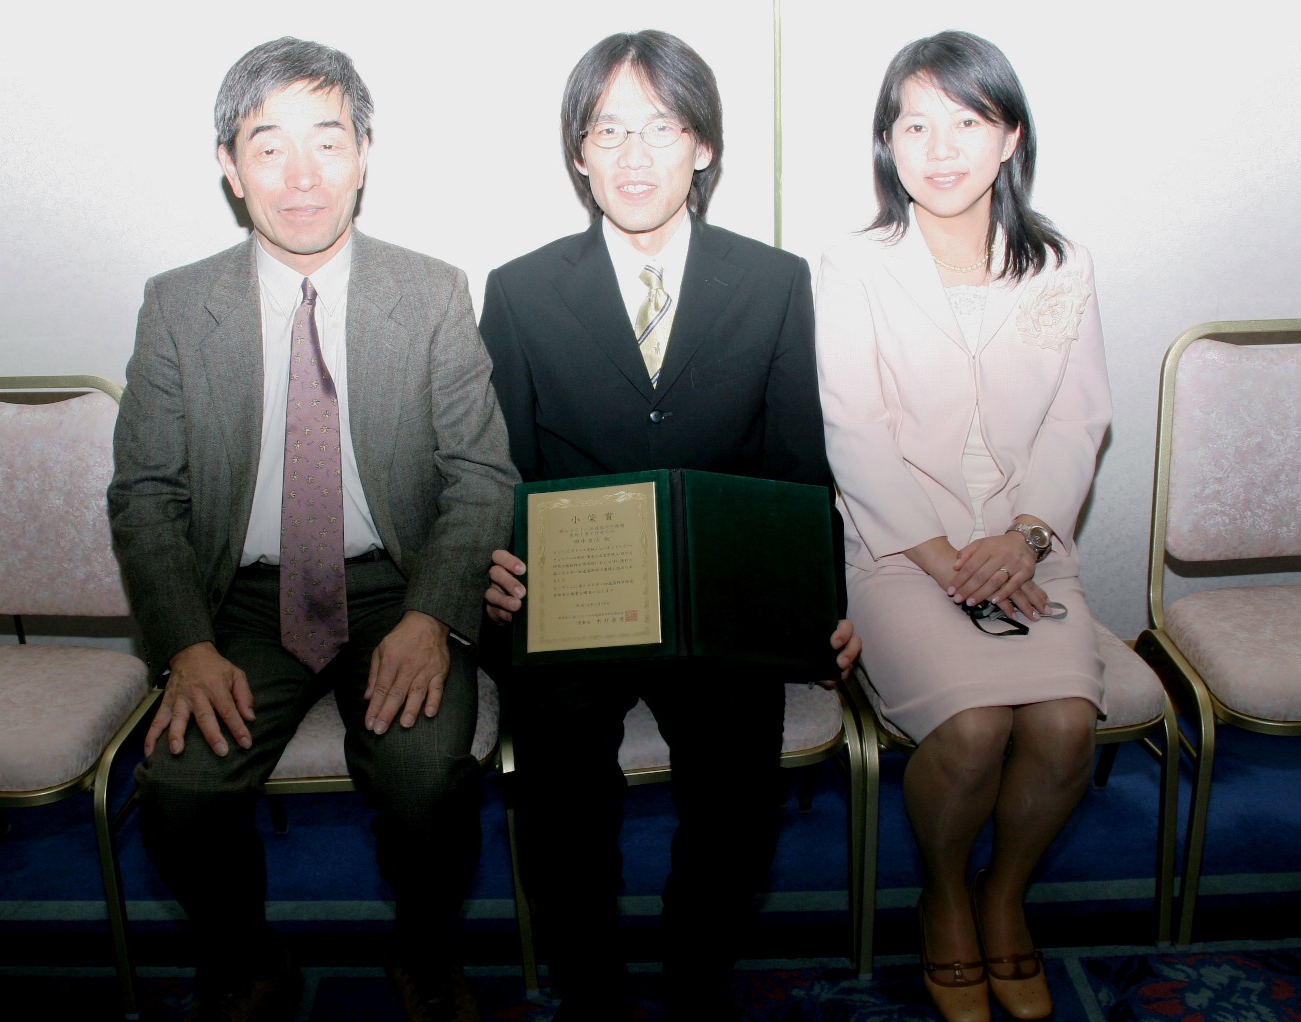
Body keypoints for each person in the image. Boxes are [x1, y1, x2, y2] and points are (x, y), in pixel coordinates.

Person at [107, 36, 518, 1022]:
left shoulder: (431, 294)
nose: (302, 177)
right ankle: (248, 962)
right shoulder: (177, 307)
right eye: (269, 146)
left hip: (396, 589)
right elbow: (146, 495)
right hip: (242, 603)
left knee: (427, 778)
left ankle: (425, 955)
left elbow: (479, 475)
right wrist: (186, 647)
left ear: (364, 155)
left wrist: (434, 615)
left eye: (328, 143)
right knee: (179, 792)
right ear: (229, 165)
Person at [479, 29, 860, 1022]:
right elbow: (499, 469)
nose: (635, 155)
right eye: (609, 131)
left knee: (738, 788)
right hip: (575, 599)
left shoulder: (774, 281)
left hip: (718, 598)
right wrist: (493, 562)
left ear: (703, 145)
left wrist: (818, 608)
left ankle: (697, 974)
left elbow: (796, 465)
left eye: (661, 127)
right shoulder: (519, 290)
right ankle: (592, 986)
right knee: (559, 783)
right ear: (579, 154)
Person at [815, 30, 1111, 1022]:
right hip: (900, 552)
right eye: (916, 126)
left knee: (1064, 726)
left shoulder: (1061, 264)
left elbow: (1078, 420)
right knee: (975, 727)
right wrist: (945, 558)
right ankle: (943, 893)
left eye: (968, 122)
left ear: (1010, 136)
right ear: (887, 142)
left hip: (1029, 547)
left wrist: (1025, 537)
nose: (941, 149)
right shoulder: (853, 266)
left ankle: (1003, 892)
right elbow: (854, 432)